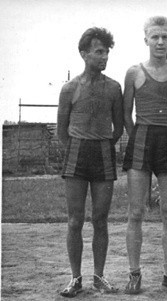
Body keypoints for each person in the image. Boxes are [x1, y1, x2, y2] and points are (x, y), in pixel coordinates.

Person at [122, 16, 167, 295]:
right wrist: (137, 136)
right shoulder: (134, 72)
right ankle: (134, 273)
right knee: (136, 211)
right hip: (141, 139)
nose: (160, 42)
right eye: (155, 37)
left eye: (165, 36)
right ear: (146, 39)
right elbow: (126, 114)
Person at [57, 27, 123, 297]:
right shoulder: (70, 89)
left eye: (106, 51)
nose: (103, 56)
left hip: (104, 152)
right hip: (76, 153)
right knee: (75, 220)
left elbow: (119, 127)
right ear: (84, 54)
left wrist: (103, 143)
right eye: (98, 51)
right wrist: (78, 146)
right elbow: (61, 131)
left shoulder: (113, 87)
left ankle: (99, 276)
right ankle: (75, 278)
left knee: (100, 218)